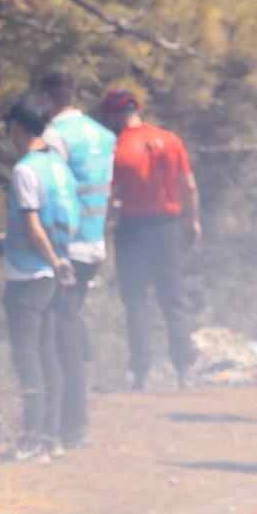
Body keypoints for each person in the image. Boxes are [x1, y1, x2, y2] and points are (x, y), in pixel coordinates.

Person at [0, 92, 84, 460]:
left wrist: (51, 260)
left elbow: (33, 226)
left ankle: (31, 439)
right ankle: (52, 438)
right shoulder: (60, 167)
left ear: (17, 129)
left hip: (29, 273)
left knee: (27, 356)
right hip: (55, 269)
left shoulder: (25, 169)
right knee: (49, 355)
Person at [99, 89, 201, 389]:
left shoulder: (118, 147)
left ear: (115, 115)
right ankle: (185, 369)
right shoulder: (170, 139)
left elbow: (109, 194)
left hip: (133, 228)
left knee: (136, 301)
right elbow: (189, 186)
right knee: (174, 299)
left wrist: (102, 227)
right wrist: (193, 221)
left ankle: (140, 371)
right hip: (167, 226)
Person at [35, 71, 114, 446]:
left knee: (59, 335)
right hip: (95, 243)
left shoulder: (54, 137)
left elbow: (56, 192)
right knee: (71, 326)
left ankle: (71, 426)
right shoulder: (103, 134)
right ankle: (72, 423)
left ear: (47, 98)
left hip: (68, 249)